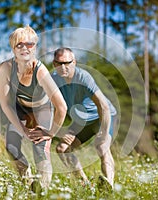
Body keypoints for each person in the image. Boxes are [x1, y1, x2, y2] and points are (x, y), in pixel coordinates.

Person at [0, 25, 67, 190]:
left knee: (40, 149)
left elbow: (61, 107)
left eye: (29, 44)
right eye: (19, 44)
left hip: (41, 110)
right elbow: (6, 104)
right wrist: (22, 129)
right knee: (12, 147)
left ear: (35, 46)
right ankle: (28, 182)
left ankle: (42, 189)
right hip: (20, 109)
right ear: (13, 48)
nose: (24, 48)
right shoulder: (6, 68)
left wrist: (50, 133)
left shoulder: (40, 71)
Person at [50, 47, 117, 189]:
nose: (63, 67)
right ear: (54, 64)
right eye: (59, 63)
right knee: (62, 148)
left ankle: (108, 185)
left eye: (67, 63)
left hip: (102, 116)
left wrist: (104, 134)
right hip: (81, 121)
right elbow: (49, 109)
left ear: (74, 62)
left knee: (102, 146)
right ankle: (86, 186)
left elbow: (103, 107)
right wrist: (60, 131)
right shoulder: (53, 80)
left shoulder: (83, 77)